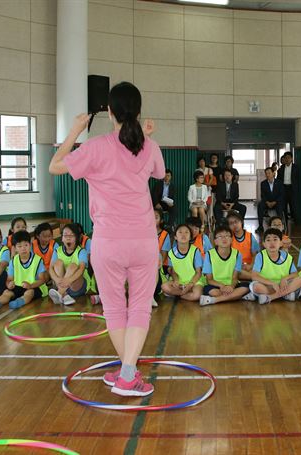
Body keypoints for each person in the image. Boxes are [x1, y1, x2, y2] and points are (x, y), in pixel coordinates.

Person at [49, 81, 165, 397]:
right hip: (143, 241)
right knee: (140, 307)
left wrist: (75, 130)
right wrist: (149, 137)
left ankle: (127, 373)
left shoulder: (96, 146)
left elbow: (55, 166)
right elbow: (156, 173)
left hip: (108, 243)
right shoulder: (149, 146)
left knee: (114, 309)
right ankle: (128, 372)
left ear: (109, 112)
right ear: (138, 113)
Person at [0, 230, 48, 309]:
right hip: (18, 286)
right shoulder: (13, 261)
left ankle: (20, 301)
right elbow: (9, 279)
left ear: (30, 245)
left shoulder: (38, 260)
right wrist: (9, 284)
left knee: (29, 293)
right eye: (19, 246)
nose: (23, 248)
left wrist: (30, 285)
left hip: (35, 287)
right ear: (15, 248)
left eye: (26, 245)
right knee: (6, 292)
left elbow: (42, 279)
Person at [249, 228, 301, 305]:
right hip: (268, 285)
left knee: (300, 280)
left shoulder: (287, 256)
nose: (272, 243)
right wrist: (271, 283)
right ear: (264, 244)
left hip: (283, 285)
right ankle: (286, 294)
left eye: (275, 239)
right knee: (256, 287)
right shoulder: (260, 256)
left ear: (281, 243)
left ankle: (271, 297)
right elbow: (254, 276)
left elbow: (295, 273)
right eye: (268, 240)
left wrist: (284, 279)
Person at [199, 226, 250, 306]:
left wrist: (231, 287)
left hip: (231, 285)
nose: (224, 238)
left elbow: (235, 277)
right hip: (215, 285)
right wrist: (222, 286)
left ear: (231, 239)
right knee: (213, 291)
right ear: (215, 241)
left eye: (227, 236)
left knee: (247, 287)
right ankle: (237, 296)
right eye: (220, 236)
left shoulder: (237, 254)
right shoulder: (209, 254)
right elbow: (209, 279)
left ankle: (214, 300)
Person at [48, 224, 90, 306]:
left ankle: (60, 292)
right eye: (65, 235)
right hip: (61, 284)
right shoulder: (57, 250)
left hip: (76, 286)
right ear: (62, 238)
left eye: (71, 235)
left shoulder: (82, 251)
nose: (68, 238)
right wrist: (57, 279)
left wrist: (69, 280)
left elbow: (81, 270)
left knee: (73, 266)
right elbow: (50, 268)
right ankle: (64, 295)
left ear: (77, 238)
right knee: (58, 263)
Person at [161, 224, 204, 302]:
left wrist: (191, 284)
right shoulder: (171, 252)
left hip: (194, 281)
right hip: (180, 282)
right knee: (164, 286)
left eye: (186, 232)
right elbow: (173, 271)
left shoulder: (195, 251)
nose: (183, 235)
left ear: (190, 237)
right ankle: (184, 294)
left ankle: (177, 295)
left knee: (197, 295)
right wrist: (176, 281)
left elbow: (198, 272)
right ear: (175, 237)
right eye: (180, 232)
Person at [227, 211, 260, 280]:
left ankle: (252, 277)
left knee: (258, 270)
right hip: (236, 267)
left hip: (250, 266)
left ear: (241, 222)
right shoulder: (229, 238)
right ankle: (256, 278)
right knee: (235, 272)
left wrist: (250, 265)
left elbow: (255, 255)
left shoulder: (250, 236)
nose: (234, 225)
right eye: (231, 223)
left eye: (236, 222)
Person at [257, 167, 284, 233]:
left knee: (280, 206)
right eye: (266, 174)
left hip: (276, 202)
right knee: (260, 205)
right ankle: (260, 227)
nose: (267, 175)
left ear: (273, 174)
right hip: (267, 202)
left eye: (269, 173)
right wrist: (267, 202)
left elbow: (282, 194)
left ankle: (280, 227)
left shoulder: (279, 182)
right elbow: (263, 195)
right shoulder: (263, 183)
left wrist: (275, 202)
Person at [278, 152, 298, 221]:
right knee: (284, 206)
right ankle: (285, 221)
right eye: (285, 158)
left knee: (293, 205)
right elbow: (278, 180)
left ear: (291, 159)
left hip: (292, 188)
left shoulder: (296, 167)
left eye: (289, 158)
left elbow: (299, 179)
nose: (287, 159)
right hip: (284, 188)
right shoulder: (281, 168)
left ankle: (296, 221)